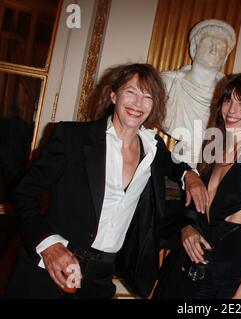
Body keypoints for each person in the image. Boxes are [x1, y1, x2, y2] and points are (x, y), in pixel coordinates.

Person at [5, 63, 208, 299]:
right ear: (114, 95)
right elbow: (24, 194)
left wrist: (189, 175)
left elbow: (174, 165)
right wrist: (49, 246)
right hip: (51, 268)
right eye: (130, 92)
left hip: (100, 276)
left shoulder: (153, 148)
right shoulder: (72, 138)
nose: (137, 103)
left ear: (154, 106)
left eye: (147, 96)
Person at [154, 73, 241, 299]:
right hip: (190, 264)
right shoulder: (211, 149)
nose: (232, 110)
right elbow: (190, 207)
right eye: (227, 100)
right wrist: (187, 227)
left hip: (230, 272)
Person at [161, 19, 236, 167]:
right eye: (208, 42)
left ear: (226, 56)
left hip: (210, 164)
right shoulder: (167, 84)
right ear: (194, 48)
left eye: (221, 46)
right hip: (179, 164)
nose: (214, 50)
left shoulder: (230, 97)